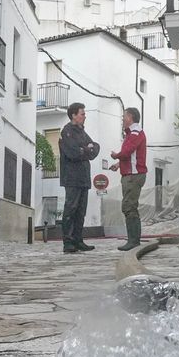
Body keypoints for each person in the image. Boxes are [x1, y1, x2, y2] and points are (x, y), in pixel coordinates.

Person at [58, 102, 99, 254]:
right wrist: (85, 149)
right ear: (74, 115)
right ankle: (68, 242)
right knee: (71, 208)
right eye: (82, 113)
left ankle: (78, 239)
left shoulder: (82, 132)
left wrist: (86, 149)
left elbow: (95, 147)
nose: (84, 116)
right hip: (72, 177)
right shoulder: (67, 132)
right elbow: (73, 152)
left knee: (81, 210)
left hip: (83, 178)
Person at [110, 107, 148, 251]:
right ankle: (133, 239)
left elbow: (127, 152)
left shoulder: (134, 133)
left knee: (129, 206)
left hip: (133, 176)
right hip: (131, 174)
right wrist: (119, 164)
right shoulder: (133, 133)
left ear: (130, 117)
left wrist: (116, 155)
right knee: (130, 206)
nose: (122, 119)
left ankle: (133, 241)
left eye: (124, 116)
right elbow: (132, 156)